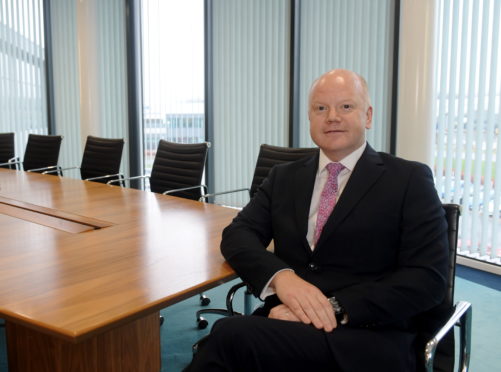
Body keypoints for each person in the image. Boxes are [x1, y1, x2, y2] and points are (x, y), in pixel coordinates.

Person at [185, 69, 449, 371]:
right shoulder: (284, 177)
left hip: (367, 334)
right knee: (227, 343)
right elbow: (238, 235)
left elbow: (428, 278)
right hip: (286, 322)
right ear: (310, 118)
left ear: (368, 116)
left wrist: (331, 308)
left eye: (346, 106)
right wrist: (282, 279)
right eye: (320, 108)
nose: (332, 117)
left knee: (228, 339)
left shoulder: (409, 179)